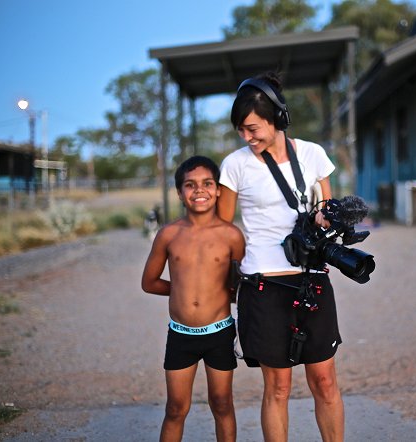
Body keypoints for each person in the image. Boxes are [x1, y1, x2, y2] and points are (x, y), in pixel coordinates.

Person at [217, 72, 344, 442]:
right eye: (241, 130)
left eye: (253, 128)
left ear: (278, 118)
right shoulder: (235, 165)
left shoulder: (313, 155)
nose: (247, 137)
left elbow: (327, 209)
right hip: (263, 284)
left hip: (312, 279)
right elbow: (223, 231)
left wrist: (326, 219)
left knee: (325, 381)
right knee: (278, 388)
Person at [141, 155, 245, 442]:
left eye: (207, 183)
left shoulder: (231, 236)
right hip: (181, 335)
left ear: (219, 189)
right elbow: (148, 283)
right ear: (179, 192)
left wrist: (221, 293)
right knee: (175, 408)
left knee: (222, 404)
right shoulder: (168, 234)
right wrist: (181, 292)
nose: (199, 190)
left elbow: (241, 287)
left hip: (220, 332)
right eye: (190, 185)